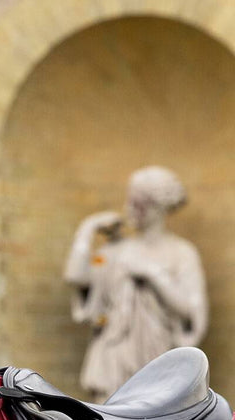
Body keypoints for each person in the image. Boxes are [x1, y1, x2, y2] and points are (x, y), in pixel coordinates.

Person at [64, 166, 209, 400]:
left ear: (156, 206)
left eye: (136, 202)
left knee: (155, 414)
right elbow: (76, 277)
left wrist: (153, 274)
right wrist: (86, 230)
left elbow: (192, 311)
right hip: (114, 355)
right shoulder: (115, 251)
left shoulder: (181, 253)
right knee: (107, 415)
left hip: (158, 356)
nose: (128, 208)